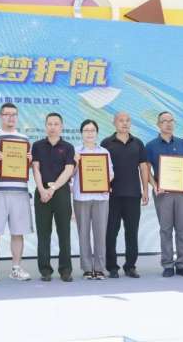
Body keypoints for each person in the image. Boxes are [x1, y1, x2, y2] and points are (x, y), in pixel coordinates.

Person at [0, 103, 33, 282]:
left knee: (18, 232)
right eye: (7, 114)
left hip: (19, 191)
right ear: (0, 116)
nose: (11, 118)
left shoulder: (24, 139)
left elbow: (27, 167)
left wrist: (29, 161)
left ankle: (16, 268)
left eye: (14, 114)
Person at [146, 111, 183, 278]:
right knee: (165, 229)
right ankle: (167, 264)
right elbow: (146, 169)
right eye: (164, 121)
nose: (168, 123)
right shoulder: (151, 145)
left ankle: (182, 264)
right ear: (158, 125)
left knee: (182, 230)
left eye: (171, 120)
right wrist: (155, 186)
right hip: (163, 193)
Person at [101, 112, 149, 279]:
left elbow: (143, 167)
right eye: (121, 120)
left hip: (133, 195)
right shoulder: (106, 143)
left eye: (128, 120)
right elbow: (101, 168)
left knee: (131, 233)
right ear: (114, 123)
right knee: (110, 233)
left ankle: (130, 266)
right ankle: (112, 267)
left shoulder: (138, 143)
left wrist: (145, 189)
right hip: (112, 196)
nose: (125, 123)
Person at [31, 112, 75, 282]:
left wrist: (53, 188)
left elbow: (69, 170)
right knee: (43, 233)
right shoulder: (37, 146)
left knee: (64, 232)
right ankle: (45, 270)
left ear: (61, 126)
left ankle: (65, 270)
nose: (53, 127)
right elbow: (36, 168)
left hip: (61, 192)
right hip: (42, 192)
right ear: (45, 126)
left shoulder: (68, 147)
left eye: (56, 124)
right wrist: (42, 190)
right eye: (50, 124)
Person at [72, 119, 113, 280]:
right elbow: (69, 174)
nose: (89, 133)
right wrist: (76, 163)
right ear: (81, 133)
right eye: (86, 130)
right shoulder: (75, 151)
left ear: (97, 133)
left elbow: (110, 173)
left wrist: (105, 183)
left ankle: (100, 268)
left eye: (92, 130)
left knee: (100, 233)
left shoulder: (104, 152)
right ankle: (87, 268)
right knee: (83, 233)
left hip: (101, 197)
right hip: (81, 197)